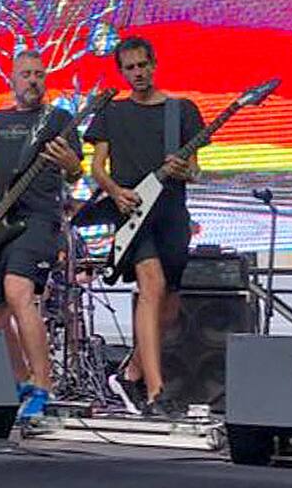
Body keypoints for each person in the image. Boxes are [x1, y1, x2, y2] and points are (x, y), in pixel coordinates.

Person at [0, 50, 83, 422]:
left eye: (39, 74)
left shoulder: (58, 119)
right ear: (12, 80)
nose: (33, 80)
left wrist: (69, 164)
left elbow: (76, 172)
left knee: (18, 290)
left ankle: (43, 385)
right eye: (26, 74)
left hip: (38, 221)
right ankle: (21, 381)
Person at [84, 37, 204, 418]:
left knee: (169, 306)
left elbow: (196, 169)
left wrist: (186, 169)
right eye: (130, 68)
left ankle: (132, 371)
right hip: (131, 212)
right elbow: (97, 168)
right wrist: (115, 192)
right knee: (150, 286)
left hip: (171, 211)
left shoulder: (180, 110)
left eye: (142, 65)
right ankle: (156, 393)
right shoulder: (111, 114)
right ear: (121, 72)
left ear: (154, 64)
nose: (137, 73)